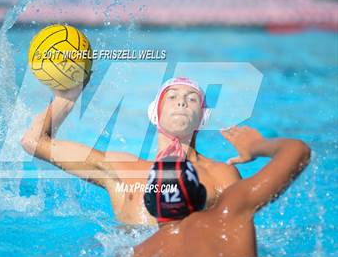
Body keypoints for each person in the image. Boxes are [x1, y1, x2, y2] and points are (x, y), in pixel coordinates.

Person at [20, 77, 241, 225]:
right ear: (155, 113)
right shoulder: (123, 170)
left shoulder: (221, 175)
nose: (182, 102)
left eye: (192, 99)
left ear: (203, 118)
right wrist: (67, 97)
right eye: (172, 97)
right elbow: (33, 141)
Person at [133, 126, 311, 257]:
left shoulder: (139, 256)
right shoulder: (230, 212)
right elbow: (298, 149)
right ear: (201, 195)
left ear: (148, 204)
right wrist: (254, 145)